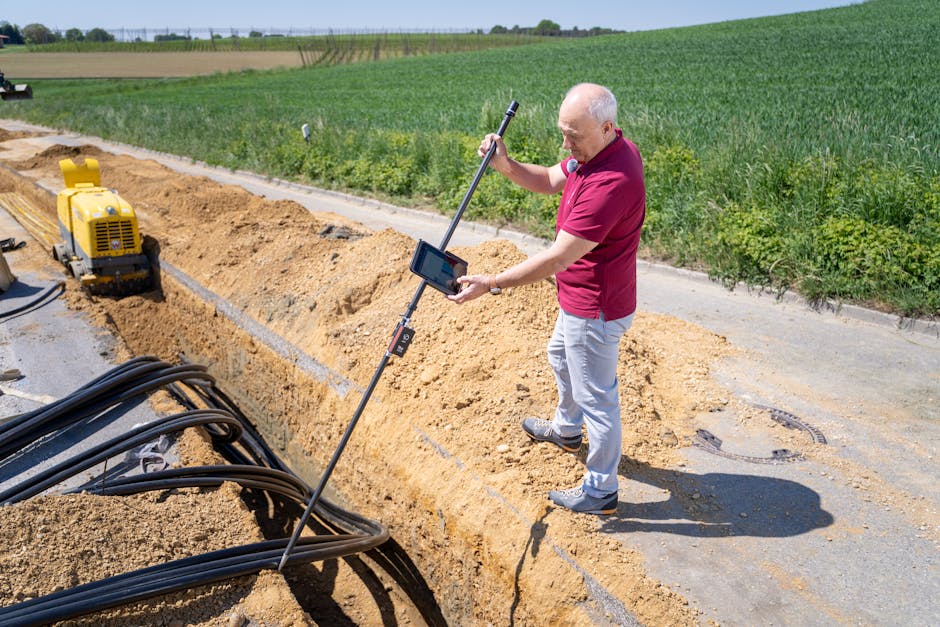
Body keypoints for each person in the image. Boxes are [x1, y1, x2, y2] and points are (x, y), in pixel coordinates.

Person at [448, 83, 646, 515]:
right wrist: (505, 164)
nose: (565, 144)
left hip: (596, 306)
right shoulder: (594, 151)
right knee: (559, 353)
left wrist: (493, 282)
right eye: (563, 132)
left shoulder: (612, 181)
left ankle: (601, 489)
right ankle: (566, 428)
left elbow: (557, 257)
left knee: (598, 396)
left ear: (608, 127)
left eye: (573, 135)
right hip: (579, 297)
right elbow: (550, 179)